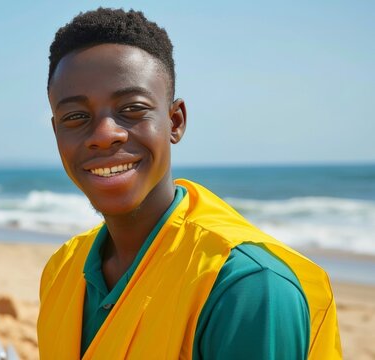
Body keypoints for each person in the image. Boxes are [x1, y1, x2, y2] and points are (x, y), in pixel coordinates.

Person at [37, 8, 341, 359]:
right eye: (76, 117)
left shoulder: (244, 286)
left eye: (132, 109)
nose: (105, 135)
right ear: (57, 130)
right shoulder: (62, 270)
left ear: (175, 121)